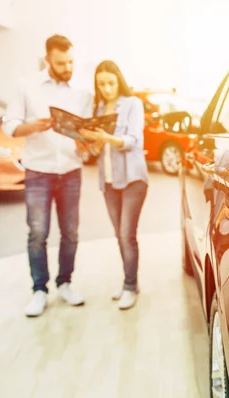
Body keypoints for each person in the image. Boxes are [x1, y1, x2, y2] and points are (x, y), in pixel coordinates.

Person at [2, 35, 91, 317]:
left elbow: (85, 135)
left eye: (70, 62)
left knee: (71, 233)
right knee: (38, 233)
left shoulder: (82, 92)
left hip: (71, 170)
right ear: (47, 60)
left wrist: (84, 143)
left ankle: (65, 282)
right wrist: (32, 127)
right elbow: (9, 125)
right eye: (61, 63)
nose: (67, 68)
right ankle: (39, 290)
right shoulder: (26, 85)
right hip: (38, 171)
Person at [79, 60, 149, 310]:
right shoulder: (97, 108)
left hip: (132, 179)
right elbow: (98, 149)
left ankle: (130, 286)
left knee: (126, 234)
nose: (107, 88)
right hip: (108, 180)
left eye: (110, 83)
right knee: (119, 235)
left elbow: (134, 140)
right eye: (101, 84)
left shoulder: (132, 104)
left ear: (119, 81)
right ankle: (130, 283)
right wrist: (92, 142)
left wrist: (106, 137)